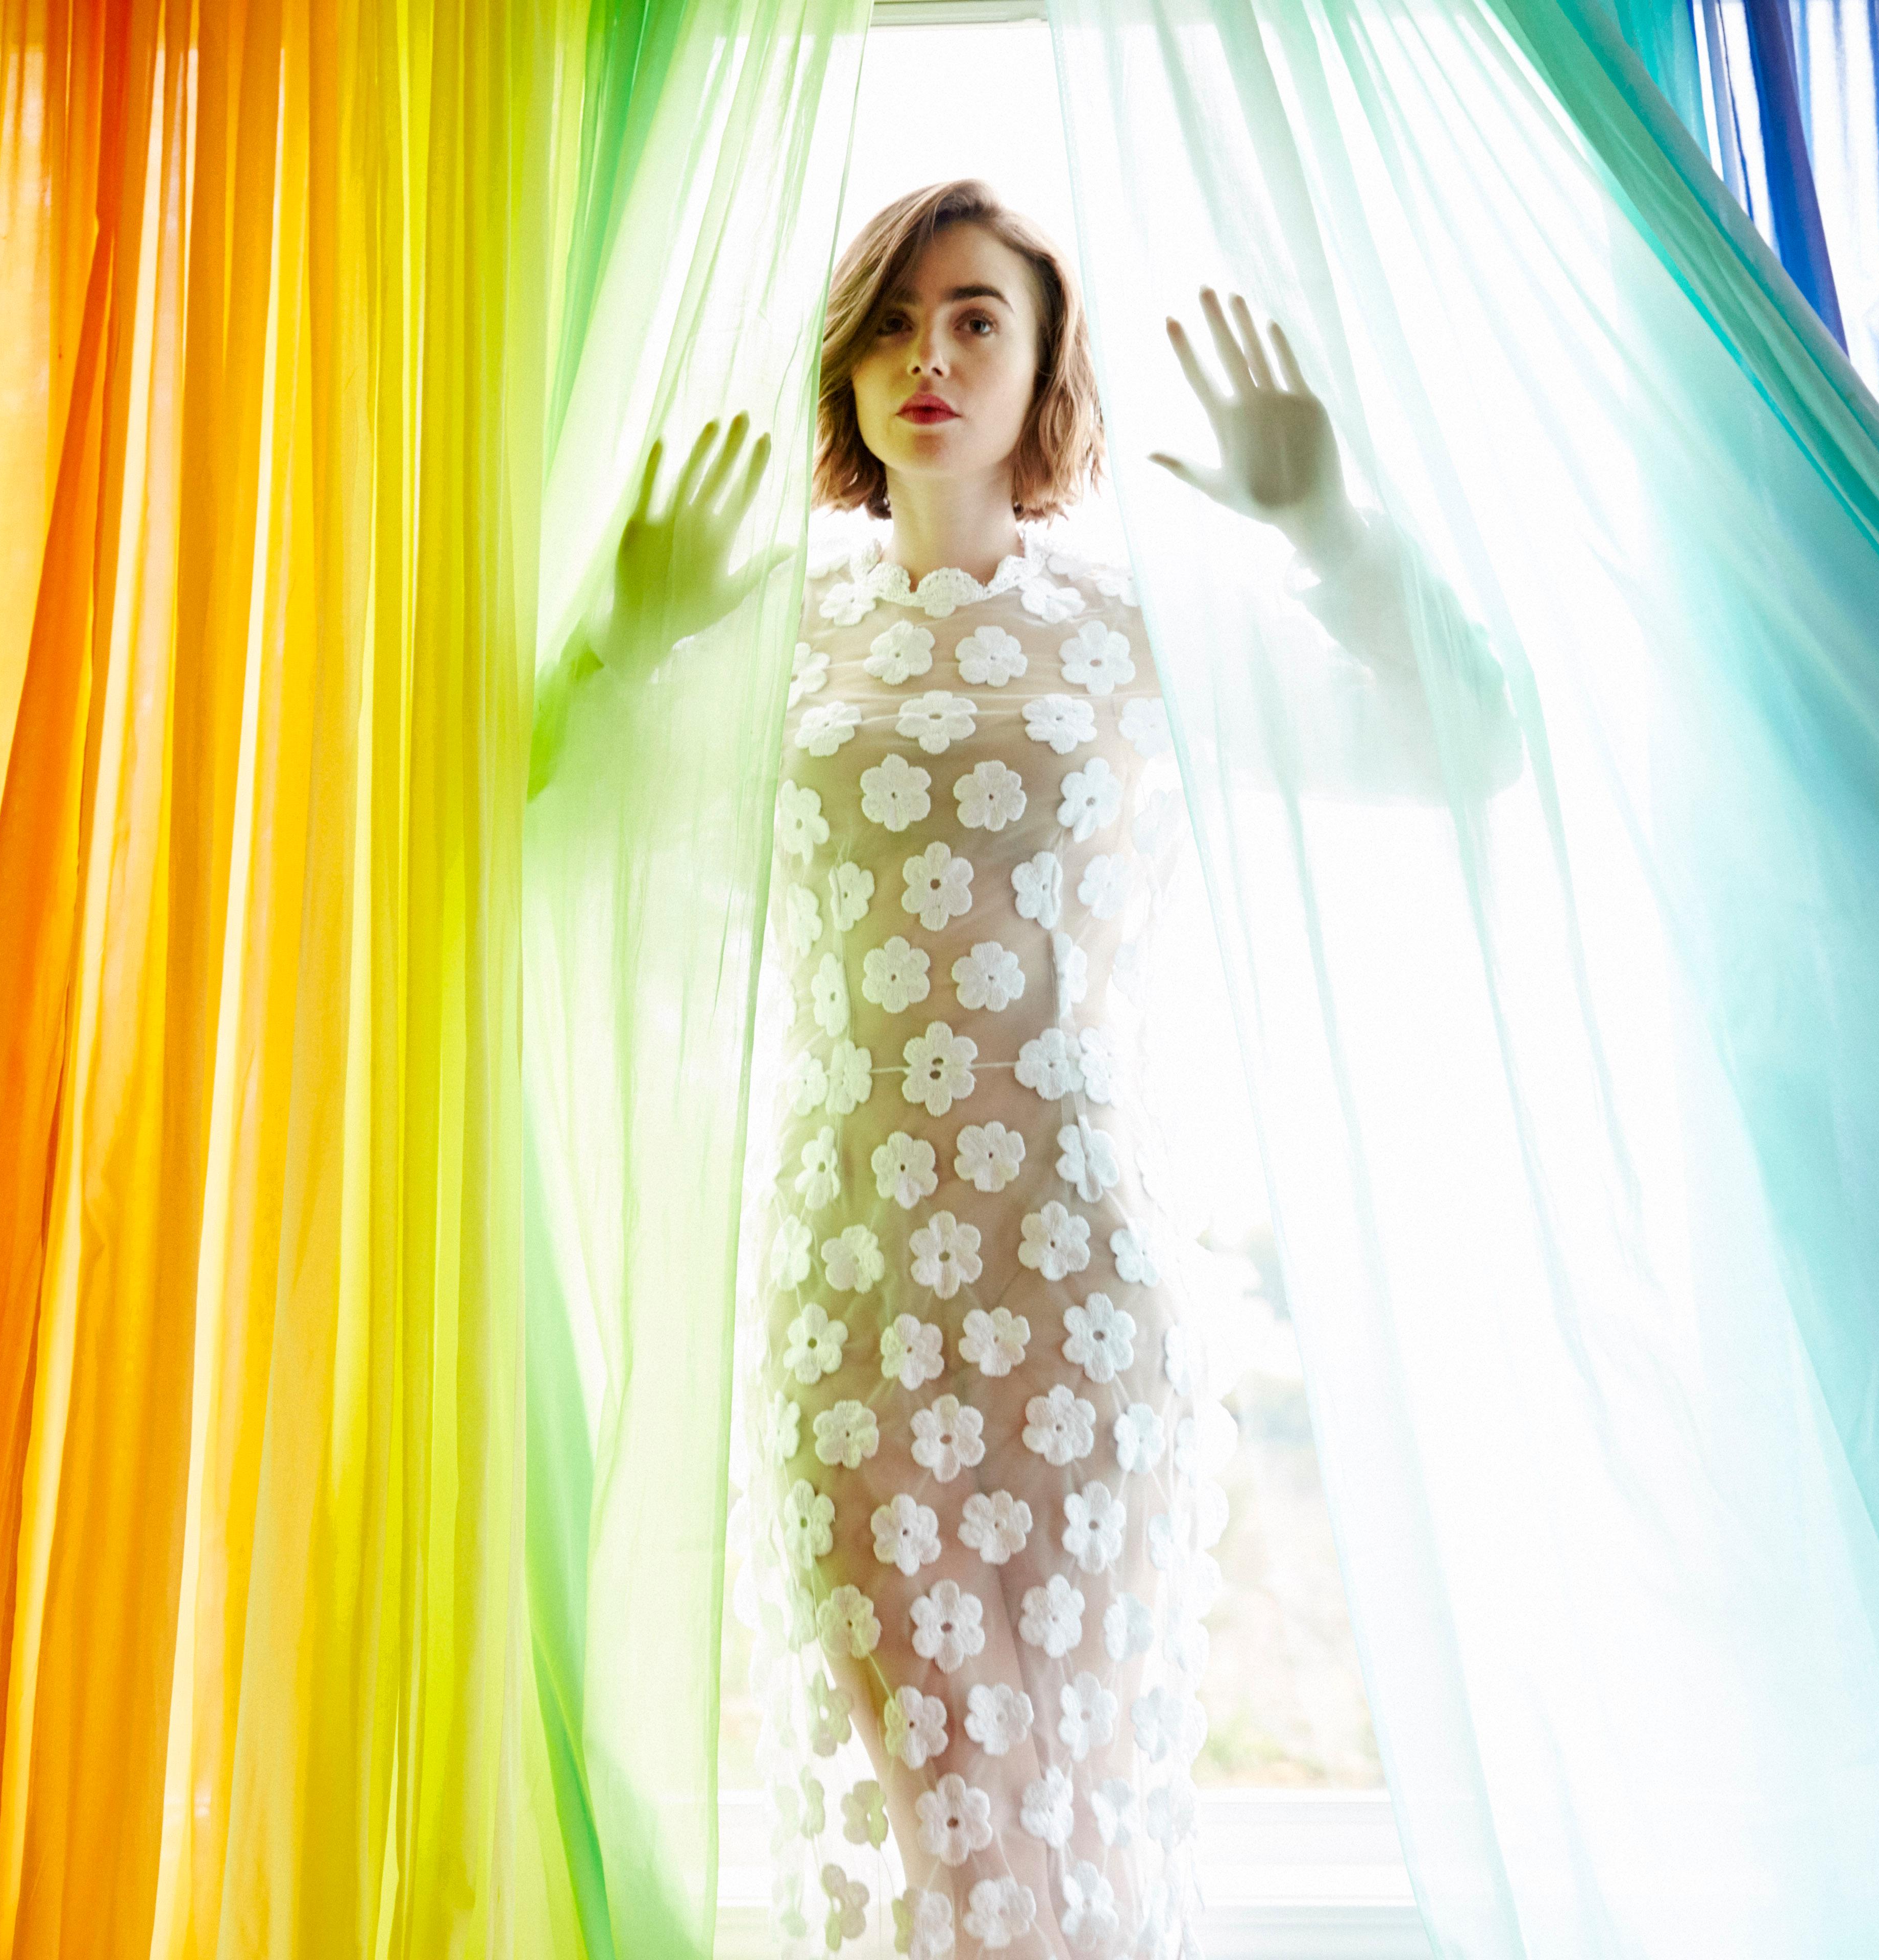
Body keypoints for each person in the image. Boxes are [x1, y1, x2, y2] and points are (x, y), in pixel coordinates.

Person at [534, 180, 1515, 1960]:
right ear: (846, 372)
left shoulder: (1133, 636)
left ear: (1046, 362)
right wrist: (636, 640)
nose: (931, 354)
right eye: (895, 321)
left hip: (1082, 1298)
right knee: (950, 1815)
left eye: (977, 317)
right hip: (851, 1299)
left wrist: (1331, 534)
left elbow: (1467, 746)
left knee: (1053, 1805)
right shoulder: (773, 638)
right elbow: (549, 834)